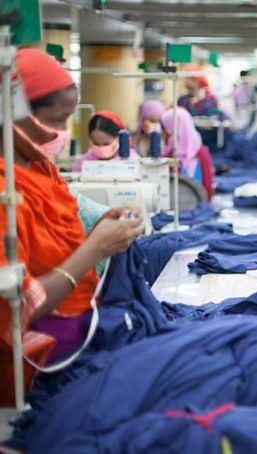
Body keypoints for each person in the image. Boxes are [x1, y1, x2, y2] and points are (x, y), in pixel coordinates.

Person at [0, 49, 143, 406]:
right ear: (13, 112)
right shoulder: (5, 190)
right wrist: (96, 249)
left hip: (84, 328)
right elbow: (20, 305)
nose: (62, 133)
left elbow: (66, 249)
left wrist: (100, 232)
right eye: (57, 120)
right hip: (34, 365)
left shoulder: (41, 170)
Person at [160, 107, 214, 200]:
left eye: (165, 127)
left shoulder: (171, 155)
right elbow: (208, 190)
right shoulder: (201, 151)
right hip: (200, 205)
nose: (164, 131)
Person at [73, 111, 139, 171]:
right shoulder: (84, 162)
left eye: (106, 144)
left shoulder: (132, 160)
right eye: (96, 143)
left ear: (118, 139)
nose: (101, 147)